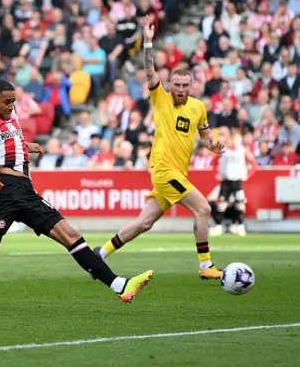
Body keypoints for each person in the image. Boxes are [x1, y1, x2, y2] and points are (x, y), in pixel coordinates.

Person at [0, 79, 154, 303]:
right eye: (7, 101)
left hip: (25, 191)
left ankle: (119, 285)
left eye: (14, 101)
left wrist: (27, 146)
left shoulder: (9, 116)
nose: (11, 106)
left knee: (70, 236)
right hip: (5, 192)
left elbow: (3, 141)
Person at [95, 16, 226, 280]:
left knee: (144, 222)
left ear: (191, 86)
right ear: (170, 86)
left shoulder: (198, 107)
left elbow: (204, 132)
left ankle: (100, 254)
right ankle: (205, 266)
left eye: (184, 85)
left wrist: (211, 145)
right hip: (164, 171)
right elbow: (150, 70)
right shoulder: (161, 98)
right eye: (176, 85)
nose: (179, 89)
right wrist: (148, 42)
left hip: (178, 173)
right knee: (204, 209)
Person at [211, 127, 258, 237]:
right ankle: (219, 226)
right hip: (226, 180)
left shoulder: (243, 150)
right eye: (234, 139)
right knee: (222, 203)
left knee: (240, 203)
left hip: (237, 180)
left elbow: (254, 165)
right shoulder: (223, 149)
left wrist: (247, 175)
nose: (236, 142)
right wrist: (216, 174)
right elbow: (213, 162)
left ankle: (240, 226)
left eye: (238, 139)